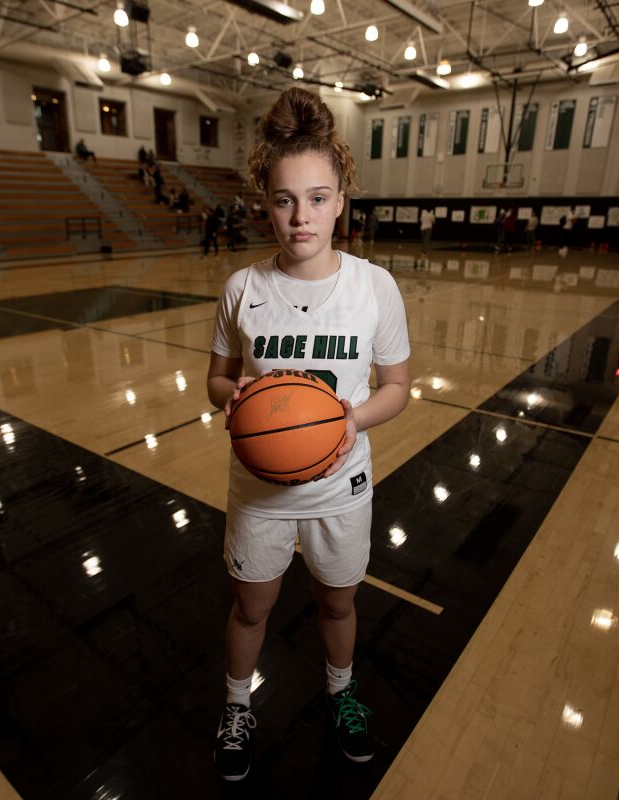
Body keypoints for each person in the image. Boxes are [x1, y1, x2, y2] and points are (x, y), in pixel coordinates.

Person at [207, 87, 411, 781]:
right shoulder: (241, 287)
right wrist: (229, 395)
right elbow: (216, 380)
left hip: (342, 483)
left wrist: (347, 420)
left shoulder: (375, 287)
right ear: (265, 199)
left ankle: (340, 692)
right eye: (285, 199)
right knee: (250, 606)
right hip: (259, 489)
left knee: (337, 601)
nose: (301, 218)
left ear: (342, 198)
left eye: (318, 198)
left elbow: (397, 388)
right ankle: (237, 707)